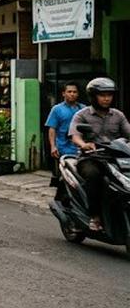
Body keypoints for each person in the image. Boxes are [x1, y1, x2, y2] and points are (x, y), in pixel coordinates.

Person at [68, 77, 130, 232]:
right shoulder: (82, 115)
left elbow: (128, 132)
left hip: (116, 158)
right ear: (93, 96)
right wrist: (84, 145)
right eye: (102, 95)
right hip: (91, 158)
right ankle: (94, 216)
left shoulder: (118, 115)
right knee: (94, 176)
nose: (106, 98)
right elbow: (75, 135)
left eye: (109, 95)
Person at [44, 82, 84, 187]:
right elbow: (52, 129)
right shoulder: (57, 109)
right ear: (63, 93)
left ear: (78, 94)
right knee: (64, 178)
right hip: (63, 147)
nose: (72, 94)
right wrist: (53, 146)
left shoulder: (83, 109)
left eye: (74, 92)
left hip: (80, 148)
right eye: (69, 91)